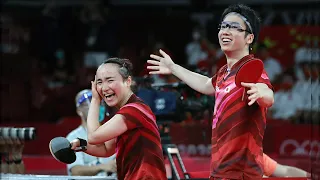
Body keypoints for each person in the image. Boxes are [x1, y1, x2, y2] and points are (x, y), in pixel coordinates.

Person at [147, 4, 274, 180]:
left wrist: (262, 94)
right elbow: (207, 84)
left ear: (249, 38)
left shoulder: (251, 69)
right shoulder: (224, 72)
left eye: (234, 27)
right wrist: (173, 68)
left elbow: (267, 93)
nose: (225, 31)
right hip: (220, 168)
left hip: (241, 171)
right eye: (223, 26)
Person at [70, 58, 167, 180]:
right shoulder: (127, 112)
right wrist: (81, 144)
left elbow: (93, 137)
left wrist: (95, 99)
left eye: (110, 80)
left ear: (128, 81)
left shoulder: (134, 110)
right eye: (99, 82)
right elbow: (106, 150)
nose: (104, 88)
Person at [66, 89, 117, 177]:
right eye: (90, 106)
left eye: (99, 104)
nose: (96, 109)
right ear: (79, 111)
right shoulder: (73, 137)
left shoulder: (113, 133)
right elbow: (75, 170)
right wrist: (102, 167)